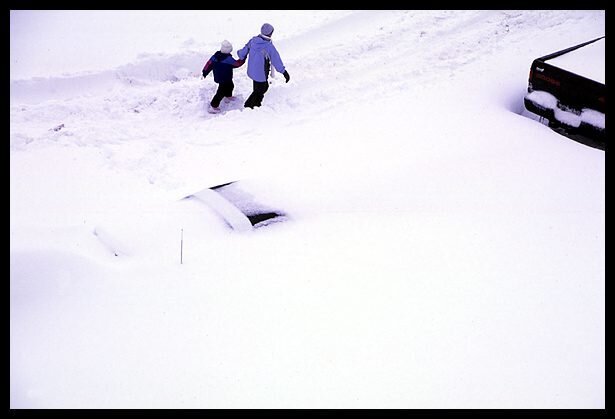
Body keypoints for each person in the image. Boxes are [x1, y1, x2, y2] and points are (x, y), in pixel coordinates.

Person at [237, 23, 290, 109]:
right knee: (262, 89)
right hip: (261, 73)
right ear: (270, 34)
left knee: (258, 88)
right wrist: (284, 72)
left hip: (252, 71)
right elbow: (276, 60)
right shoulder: (268, 46)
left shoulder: (253, 40)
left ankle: (254, 103)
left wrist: (240, 55)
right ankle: (250, 105)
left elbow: (244, 50)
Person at [202, 40, 245, 113]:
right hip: (224, 78)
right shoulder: (228, 59)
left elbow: (209, 64)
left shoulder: (215, 56)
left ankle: (228, 96)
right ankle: (213, 105)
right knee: (221, 92)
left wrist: (205, 71)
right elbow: (236, 64)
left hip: (221, 77)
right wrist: (243, 59)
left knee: (231, 85)